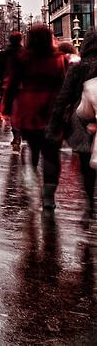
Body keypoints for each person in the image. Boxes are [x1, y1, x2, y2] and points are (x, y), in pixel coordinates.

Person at [0, 24, 67, 212]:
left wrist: (5, 109)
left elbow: (11, 84)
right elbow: (64, 85)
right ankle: (48, 196)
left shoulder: (22, 58)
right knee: (52, 154)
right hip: (52, 110)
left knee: (33, 146)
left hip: (28, 109)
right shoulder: (59, 59)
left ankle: (30, 171)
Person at [47, 28, 97, 222]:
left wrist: (54, 126)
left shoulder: (78, 67)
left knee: (87, 166)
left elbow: (63, 98)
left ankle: (90, 206)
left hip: (82, 122)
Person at [0, 32, 23, 145]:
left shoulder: (3, 54)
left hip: (5, 84)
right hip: (22, 87)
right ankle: (20, 133)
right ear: (21, 40)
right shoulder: (25, 53)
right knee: (20, 111)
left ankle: (16, 135)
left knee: (9, 108)